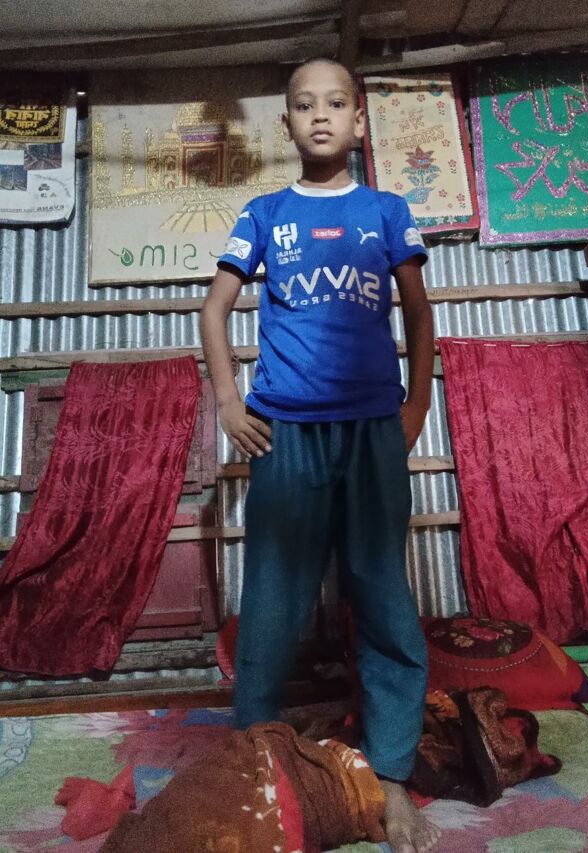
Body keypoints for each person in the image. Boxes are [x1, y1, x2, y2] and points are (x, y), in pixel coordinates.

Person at [200, 57, 438, 853]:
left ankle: (392, 773)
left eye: (337, 103)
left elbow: (418, 311)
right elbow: (216, 307)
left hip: (371, 427)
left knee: (381, 590)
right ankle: (257, 762)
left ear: (359, 121)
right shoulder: (265, 213)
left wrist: (416, 403)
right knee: (273, 595)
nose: (322, 115)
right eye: (305, 105)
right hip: (286, 430)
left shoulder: (386, 209)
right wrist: (229, 401)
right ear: (288, 124)